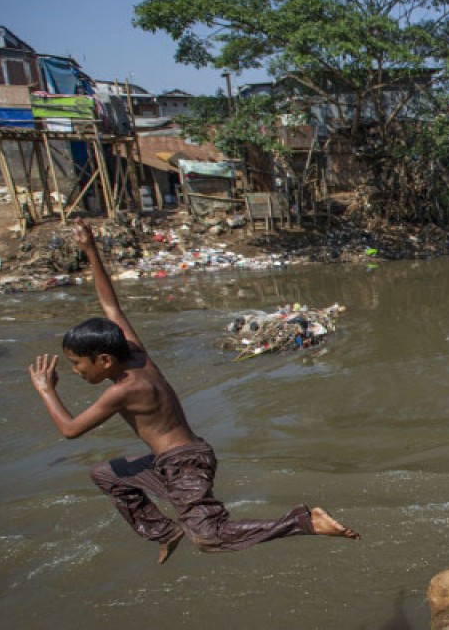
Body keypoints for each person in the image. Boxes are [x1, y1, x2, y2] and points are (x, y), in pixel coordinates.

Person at [29, 219, 358, 564]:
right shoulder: (139, 357)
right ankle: (164, 531)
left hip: (185, 465)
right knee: (107, 474)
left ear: (105, 360)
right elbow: (112, 308)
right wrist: (90, 250)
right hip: (171, 460)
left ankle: (303, 522)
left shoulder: (124, 389)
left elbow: (69, 430)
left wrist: (46, 390)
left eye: (78, 364)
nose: (76, 372)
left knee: (208, 538)